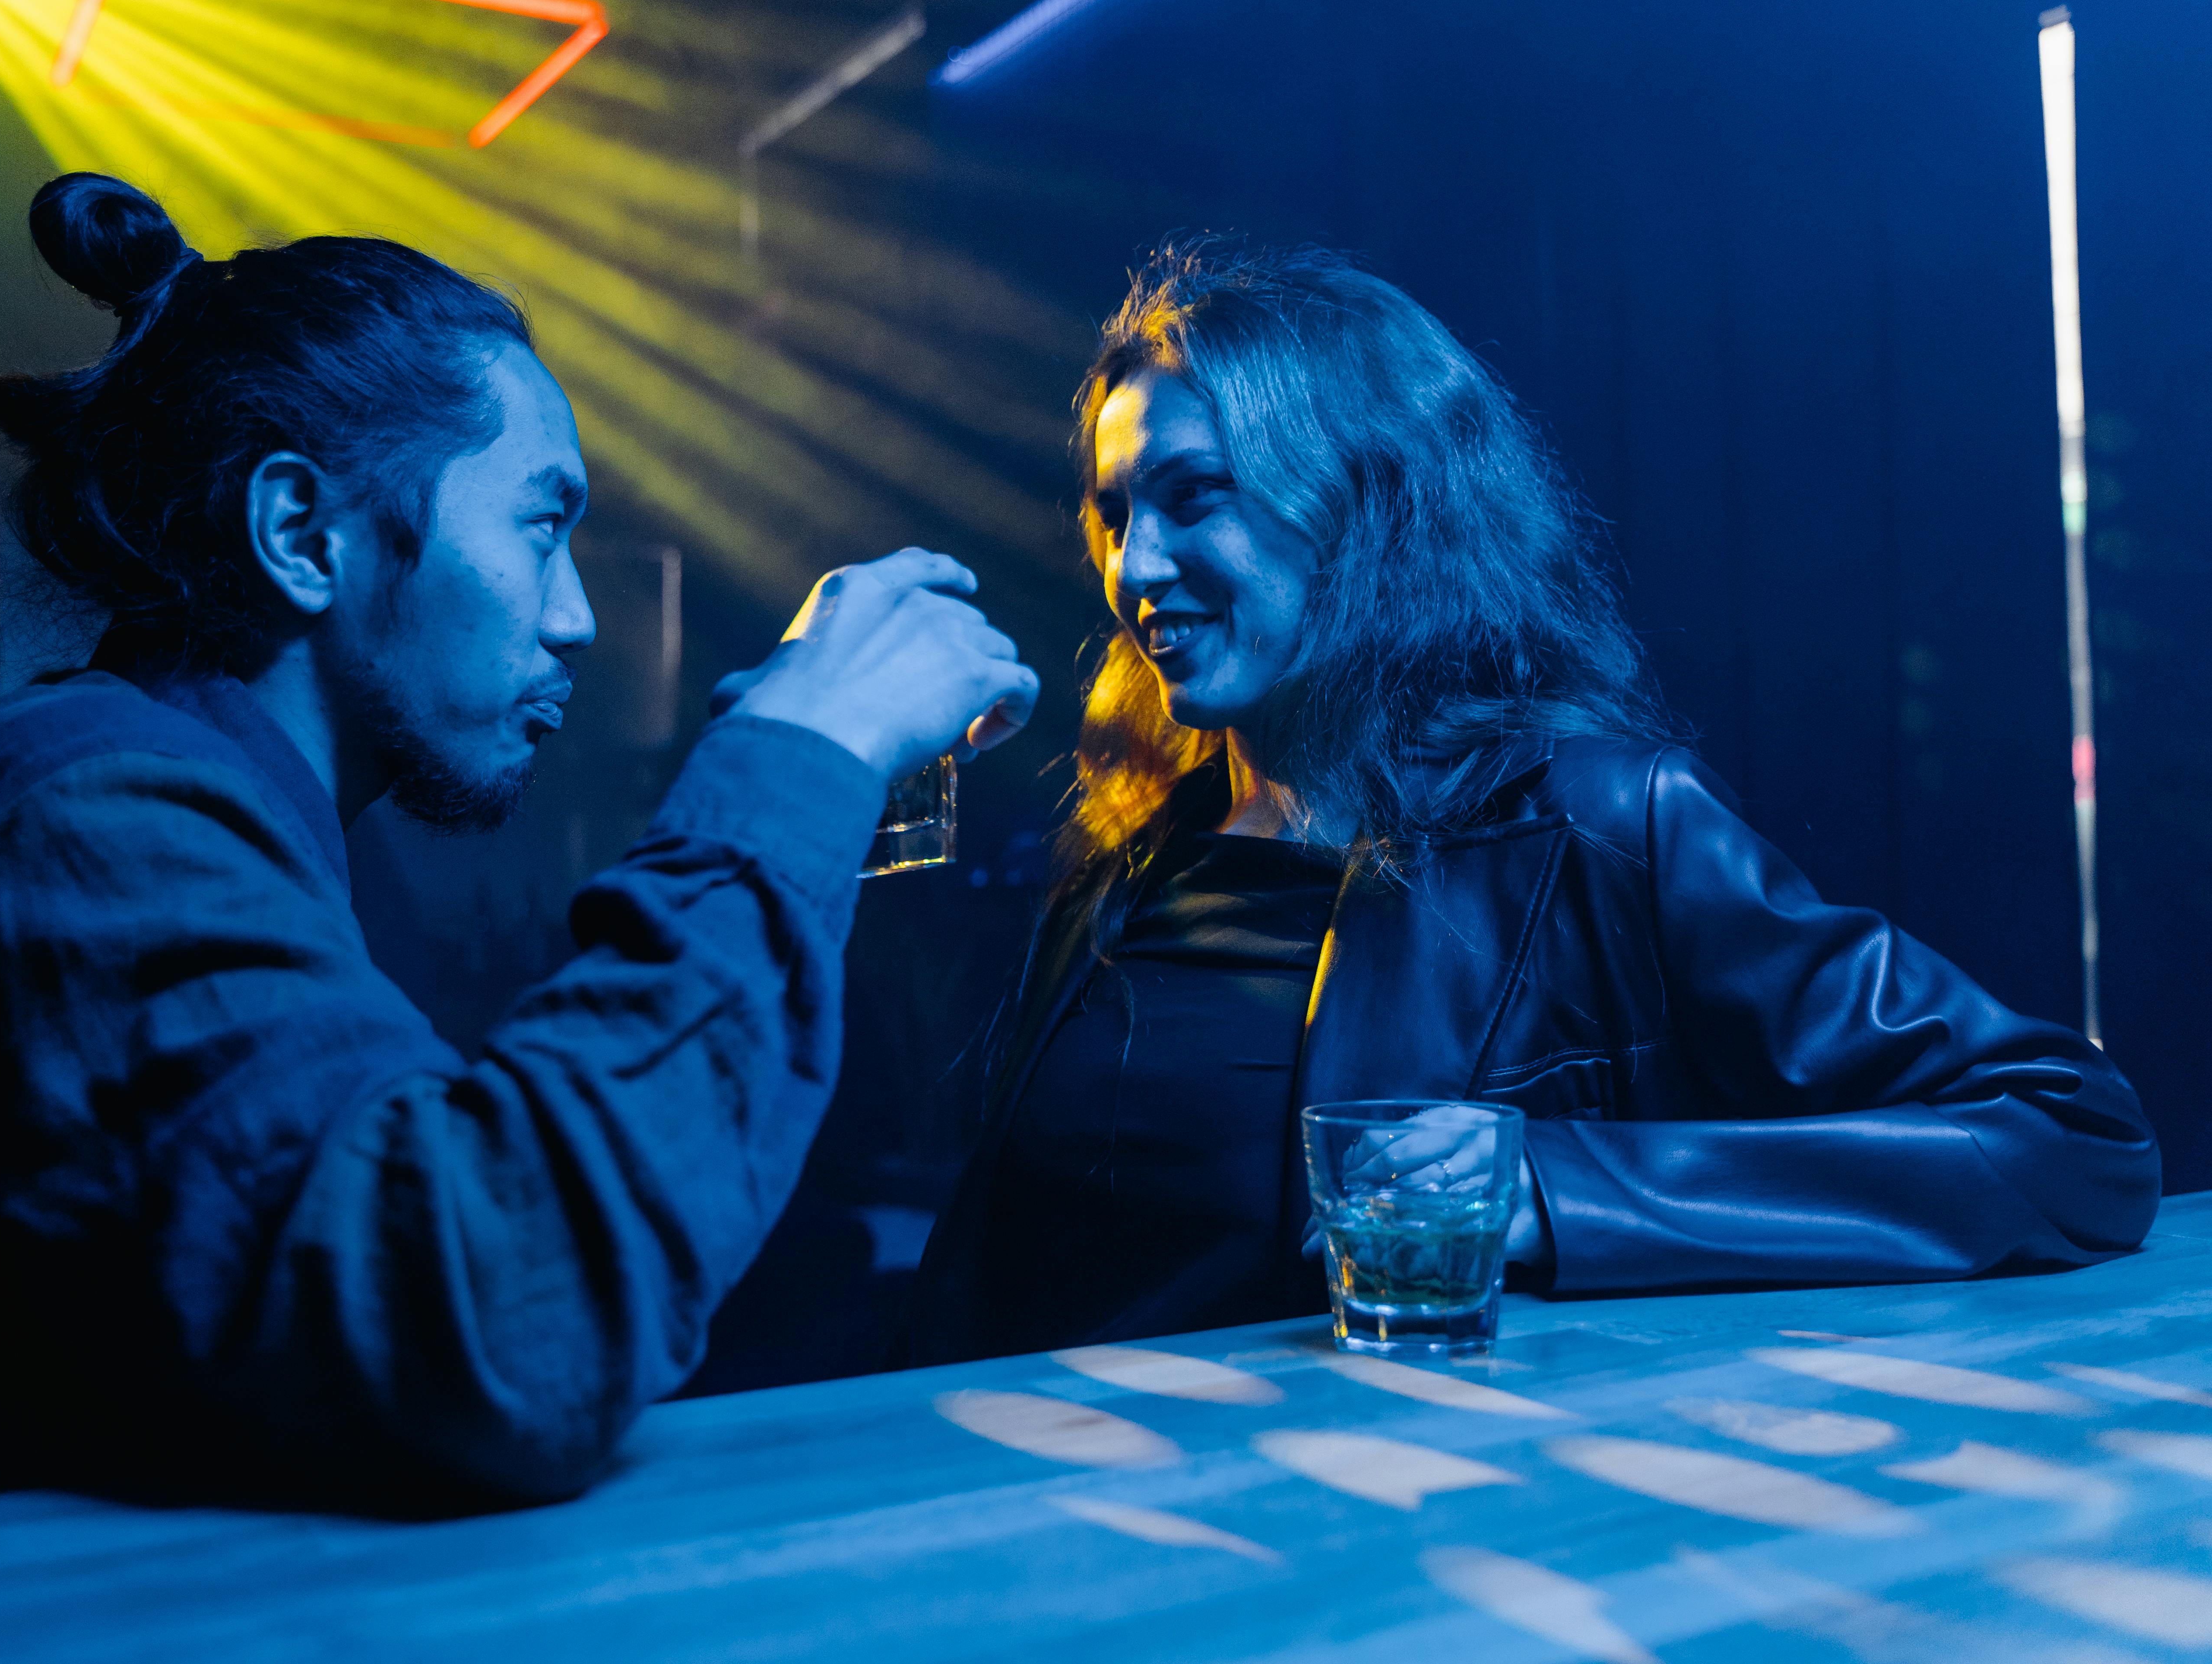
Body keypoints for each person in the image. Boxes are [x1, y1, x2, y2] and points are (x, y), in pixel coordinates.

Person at [0, 173, 1037, 1536]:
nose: (576, 624)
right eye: (542, 524)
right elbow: (501, 1318)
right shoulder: (77, 807)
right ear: (303, 533)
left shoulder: (191, 809)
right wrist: (808, 749)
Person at [903, 241, 2157, 1364]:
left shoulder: (1604, 824)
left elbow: (2075, 1141)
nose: (1136, 569)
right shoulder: (1127, 871)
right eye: (1114, 515)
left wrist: (1556, 1190)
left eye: (1195, 496)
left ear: (1366, 500)